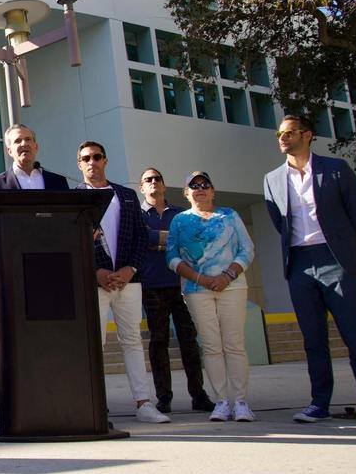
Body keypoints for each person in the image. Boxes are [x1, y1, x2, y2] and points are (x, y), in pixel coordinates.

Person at [263, 114, 356, 425]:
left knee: (353, 335)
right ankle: (319, 403)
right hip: (299, 264)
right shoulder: (272, 179)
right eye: (280, 133)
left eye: (289, 133)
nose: (282, 138)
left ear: (307, 135)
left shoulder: (336, 169)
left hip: (336, 260)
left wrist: (337, 241)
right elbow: (279, 221)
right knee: (313, 339)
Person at [75, 141, 170, 424]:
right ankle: (96, 406)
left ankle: (143, 403)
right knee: (96, 344)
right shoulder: (73, 198)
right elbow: (69, 241)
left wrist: (131, 268)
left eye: (97, 157)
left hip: (129, 281)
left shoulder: (126, 195)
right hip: (95, 283)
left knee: (133, 342)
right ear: (79, 164)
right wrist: (95, 272)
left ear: (105, 160)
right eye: (86, 158)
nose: (92, 162)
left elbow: (142, 237)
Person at [166, 171, 256, 422]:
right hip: (197, 290)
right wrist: (200, 279)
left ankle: (240, 402)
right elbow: (171, 257)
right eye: (193, 186)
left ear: (213, 191)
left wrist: (227, 275)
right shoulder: (179, 221)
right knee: (211, 346)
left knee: (234, 345)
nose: (200, 188)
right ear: (186, 193)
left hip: (233, 287)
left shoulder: (229, 216)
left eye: (205, 184)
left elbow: (246, 249)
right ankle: (222, 401)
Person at [139, 168, 215, 414]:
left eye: (157, 179)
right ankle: (164, 397)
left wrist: (159, 241)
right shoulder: (137, 214)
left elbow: (191, 241)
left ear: (164, 184)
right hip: (152, 286)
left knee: (189, 341)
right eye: (148, 180)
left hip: (183, 285)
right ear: (142, 187)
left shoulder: (181, 214)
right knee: (158, 342)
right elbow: (142, 238)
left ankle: (199, 395)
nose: (153, 183)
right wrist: (172, 241)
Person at [0, 124, 70, 193]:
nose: (24, 144)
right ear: (9, 151)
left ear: (36, 147)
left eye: (28, 139)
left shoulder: (58, 181)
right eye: (17, 141)